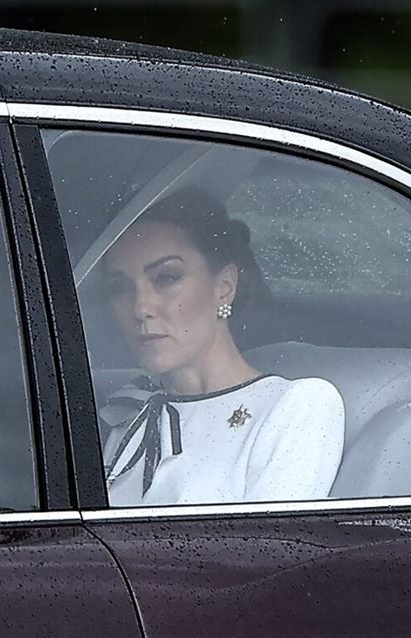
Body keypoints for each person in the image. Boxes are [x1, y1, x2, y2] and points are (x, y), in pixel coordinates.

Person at [100, 186, 345, 506]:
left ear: (224, 286)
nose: (140, 307)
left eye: (166, 277)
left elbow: (272, 549)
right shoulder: (130, 410)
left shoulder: (296, 406)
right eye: (121, 287)